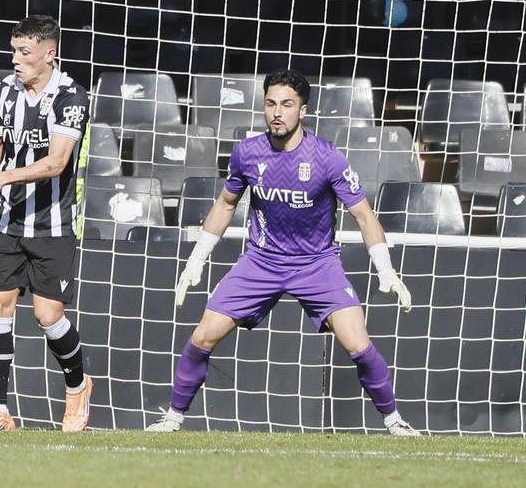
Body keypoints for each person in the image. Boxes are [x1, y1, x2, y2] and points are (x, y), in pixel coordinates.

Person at [146, 69, 420, 435]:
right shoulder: (247, 153)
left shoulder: (327, 158)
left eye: (287, 104)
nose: (277, 112)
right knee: (203, 336)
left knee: (358, 344)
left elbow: (364, 215)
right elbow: (226, 204)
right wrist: (197, 260)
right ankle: (173, 418)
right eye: (271, 103)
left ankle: (394, 421)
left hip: (317, 263)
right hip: (262, 261)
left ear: (302, 110)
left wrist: (385, 269)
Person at [0, 15, 94, 432]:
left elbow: (56, 164)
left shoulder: (70, 97)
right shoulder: (3, 90)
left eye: (25, 53)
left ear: (49, 54)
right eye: (14, 51)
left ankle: (77, 386)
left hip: (53, 224)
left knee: (48, 316)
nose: (16, 60)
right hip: (6, 220)